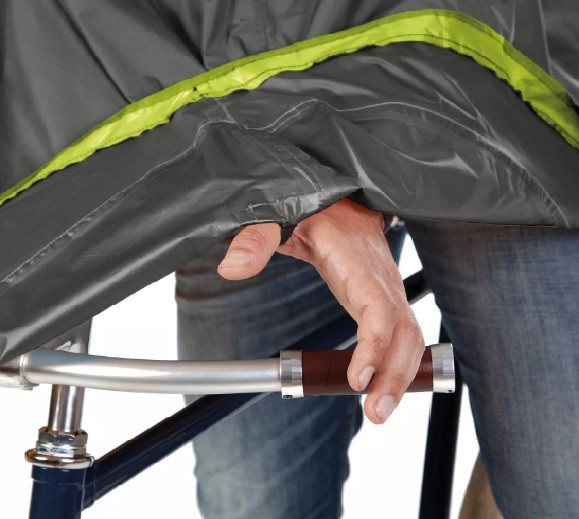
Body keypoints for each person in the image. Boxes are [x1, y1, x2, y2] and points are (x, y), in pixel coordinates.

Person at [176, 199, 579, 518]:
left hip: (501, 153)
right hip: (260, 153)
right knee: (254, 502)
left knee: (561, 492)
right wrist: (296, 183)